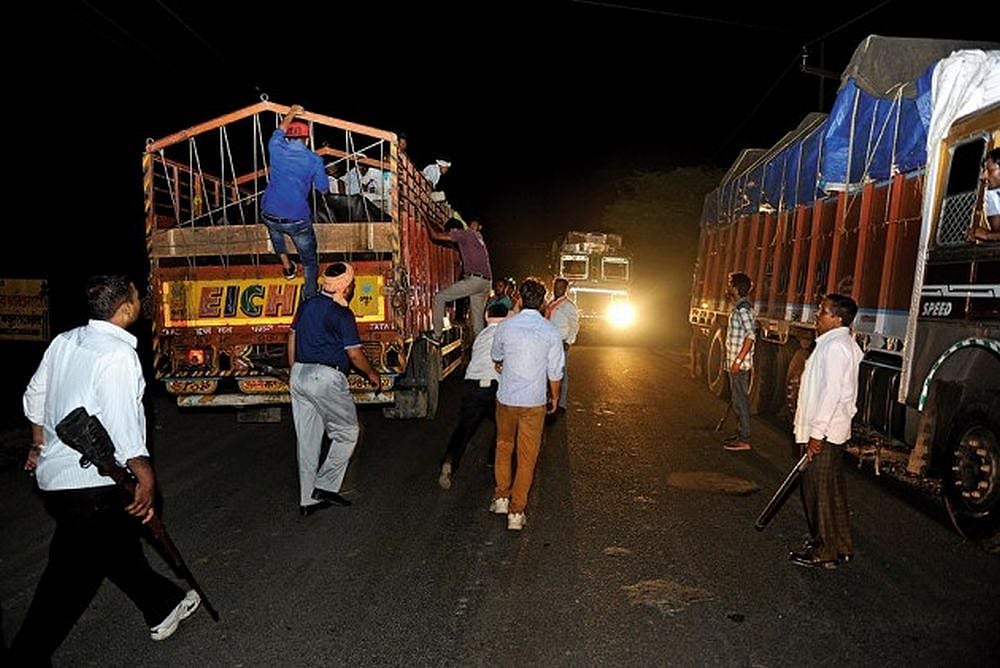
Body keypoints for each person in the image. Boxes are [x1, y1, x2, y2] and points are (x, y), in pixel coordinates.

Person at [11, 275, 200, 663]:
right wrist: (144, 476)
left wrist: (38, 444)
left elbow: (34, 397)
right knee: (68, 580)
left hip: (56, 480)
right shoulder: (118, 354)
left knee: (114, 550)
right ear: (126, 309)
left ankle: (164, 605)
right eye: (135, 297)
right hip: (94, 481)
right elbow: (122, 423)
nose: (138, 302)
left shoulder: (64, 341)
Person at [288, 262, 381, 516]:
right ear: (346, 286)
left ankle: (307, 501)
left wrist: (294, 370)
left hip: (299, 374)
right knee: (348, 432)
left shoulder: (307, 304)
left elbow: (292, 336)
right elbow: (354, 354)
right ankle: (325, 485)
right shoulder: (341, 314)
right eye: (351, 285)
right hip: (325, 377)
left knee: (307, 441)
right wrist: (372, 373)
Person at [789, 293, 864, 570]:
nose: (817, 315)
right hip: (832, 431)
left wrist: (816, 434)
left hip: (826, 432)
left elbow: (831, 394)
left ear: (838, 318)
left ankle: (825, 551)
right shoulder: (837, 343)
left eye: (822, 311)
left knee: (817, 490)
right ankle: (841, 545)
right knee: (832, 490)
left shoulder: (835, 348)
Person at [489, 278, 564, 531]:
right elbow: (555, 372)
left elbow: (496, 356)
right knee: (527, 457)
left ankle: (501, 497)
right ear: (543, 302)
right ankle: (516, 513)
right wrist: (554, 398)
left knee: (503, 446)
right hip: (534, 402)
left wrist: (504, 363)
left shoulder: (506, 327)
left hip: (507, 398)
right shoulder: (551, 331)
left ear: (519, 299)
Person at [437, 302, 509, 490]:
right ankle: (494, 461)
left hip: (472, 385)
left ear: (486, 317)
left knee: (464, 429)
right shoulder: (507, 334)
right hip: (494, 386)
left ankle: (449, 463)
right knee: (504, 426)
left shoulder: (481, 336)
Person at [260, 104, 329, 300]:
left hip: (269, 213)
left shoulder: (275, 147)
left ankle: (287, 266)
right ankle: (309, 295)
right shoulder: (314, 160)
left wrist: (291, 112)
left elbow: (279, 129)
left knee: (274, 229)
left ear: (288, 136)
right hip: (297, 219)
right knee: (309, 259)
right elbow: (322, 188)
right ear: (307, 139)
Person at [427, 219, 493, 342]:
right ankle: (483, 351)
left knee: (439, 298)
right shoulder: (477, 237)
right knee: (478, 326)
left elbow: (435, 236)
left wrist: (425, 219)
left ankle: (437, 335)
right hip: (486, 282)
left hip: (475, 280)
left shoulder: (463, 234)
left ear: (454, 230)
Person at [722, 272, 755, 452]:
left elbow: (751, 336)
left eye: (730, 284)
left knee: (740, 400)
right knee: (737, 400)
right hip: (736, 363)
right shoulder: (739, 307)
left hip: (739, 365)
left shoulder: (743, 310)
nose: (728, 287)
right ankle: (741, 433)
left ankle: (744, 439)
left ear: (736, 288)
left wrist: (737, 361)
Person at [545, 277, 580, 413]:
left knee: (562, 373)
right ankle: (550, 399)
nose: (557, 289)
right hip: (548, 343)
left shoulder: (569, 305)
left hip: (561, 343)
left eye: (560, 287)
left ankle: (562, 404)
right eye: (555, 286)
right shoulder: (551, 303)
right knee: (549, 372)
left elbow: (574, 324)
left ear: (565, 289)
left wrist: (569, 341)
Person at [972, 148, 1000, 242]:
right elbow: (997, 230)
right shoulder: (993, 195)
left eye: (989, 170)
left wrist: (988, 236)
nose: (982, 176)